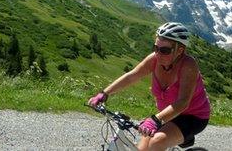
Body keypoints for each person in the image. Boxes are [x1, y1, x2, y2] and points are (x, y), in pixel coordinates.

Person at [88, 22, 210, 151]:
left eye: (164, 50)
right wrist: (105, 93)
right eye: (156, 48)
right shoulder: (154, 60)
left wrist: (155, 120)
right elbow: (132, 76)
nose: (158, 53)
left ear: (180, 50)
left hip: (192, 116)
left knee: (156, 142)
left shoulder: (188, 66)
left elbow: (183, 102)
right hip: (165, 115)